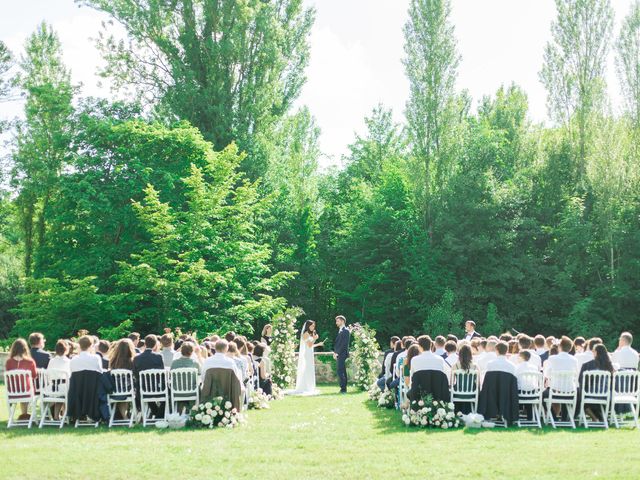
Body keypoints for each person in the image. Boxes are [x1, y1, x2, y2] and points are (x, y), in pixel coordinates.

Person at [5, 338, 38, 421]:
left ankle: (24, 415)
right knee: (27, 387)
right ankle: (25, 415)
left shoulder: (9, 362)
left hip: (12, 392)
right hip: (27, 392)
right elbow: (34, 376)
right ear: (25, 348)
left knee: (21, 388)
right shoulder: (30, 362)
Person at [289, 319, 323, 396]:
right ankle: (305, 386)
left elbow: (311, 346)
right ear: (308, 326)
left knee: (310, 369)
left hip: (310, 353)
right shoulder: (305, 334)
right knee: (307, 369)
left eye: (314, 326)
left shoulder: (310, 334)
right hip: (307, 354)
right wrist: (315, 338)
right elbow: (309, 345)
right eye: (312, 326)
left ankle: (310, 386)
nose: (313, 327)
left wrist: (318, 344)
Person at [109, 339, 137, 420]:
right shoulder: (133, 361)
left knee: (123, 392)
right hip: (129, 390)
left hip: (116, 390)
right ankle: (134, 415)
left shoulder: (113, 361)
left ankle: (125, 417)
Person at [333, 315, 351, 394]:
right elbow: (338, 343)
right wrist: (335, 352)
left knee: (340, 371)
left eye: (338, 321)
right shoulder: (340, 330)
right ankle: (343, 388)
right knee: (341, 370)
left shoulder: (346, 330)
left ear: (342, 321)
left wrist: (337, 353)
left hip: (342, 354)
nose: (336, 323)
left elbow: (344, 344)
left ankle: (343, 389)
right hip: (339, 353)